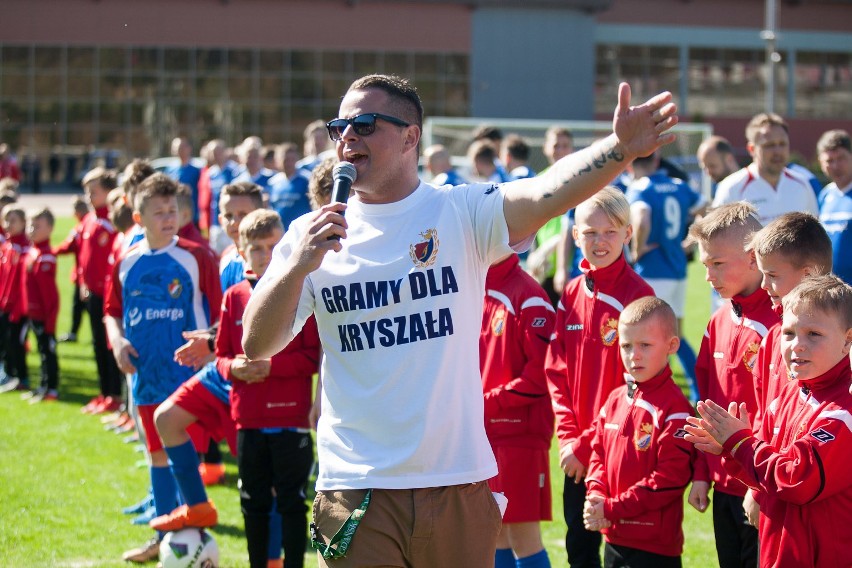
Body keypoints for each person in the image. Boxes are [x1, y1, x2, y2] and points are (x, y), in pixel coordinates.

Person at [241, 73, 677, 567]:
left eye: (364, 123)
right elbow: (257, 343)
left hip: (456, 482)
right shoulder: (309, 234)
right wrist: (297, 266)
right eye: (340, 125)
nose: (347, 137)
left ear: (411, 137)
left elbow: (548, 192)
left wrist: (619, 149)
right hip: (355, 486)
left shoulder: (459, 212)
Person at [686, 274, 852, 568]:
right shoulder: (789, 396)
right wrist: (731, 448)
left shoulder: (843, 414)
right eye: (788, 333)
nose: (797, 345)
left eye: (813, 334)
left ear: (847, 340)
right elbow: (766, 474)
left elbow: (795, 479)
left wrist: (741, 443)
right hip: (778, 552)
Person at [103, 173, 222, 563]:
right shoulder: (126, 261)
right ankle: (161, 538)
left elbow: (222, 312)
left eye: (173, 211)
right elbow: (111, 312)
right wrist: (117, 340)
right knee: (156, 456)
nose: (169, 218)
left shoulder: (197, 255)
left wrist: (208, 343)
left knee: (185, 455)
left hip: (188, 376)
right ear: (138, 217)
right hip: (146, 374)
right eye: (159, 212)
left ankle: (196, 538)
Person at [545, 187, 655, 567]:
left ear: (627, 234)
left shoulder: (640, 297)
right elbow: (556, 369)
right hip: (577, 450)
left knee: (621, 552)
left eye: (610, 232)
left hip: (619, 447)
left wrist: (586, 442)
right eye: (590, 232)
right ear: (575, 236)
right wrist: (569, 437)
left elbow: (640, 384)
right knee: (579, 545)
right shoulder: (573, 292)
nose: (599, 241)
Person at [216, 209, 320, 568]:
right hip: (249, 418)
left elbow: (312, 358)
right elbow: (220, 358)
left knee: (292, 502)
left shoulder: (300, 293)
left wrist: (271, 366)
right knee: (253, 501)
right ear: (241, 251)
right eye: (255, 248)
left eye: (272, 246)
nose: (264, 255)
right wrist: (236, 367)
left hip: (290, 417)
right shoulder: (233, 297)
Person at [685, 202, 777, 568]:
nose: (708, 276)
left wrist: (758, 487)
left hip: (762, 487)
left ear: (754, 258)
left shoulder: (782, 325)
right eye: (705, 265)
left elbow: (783, 415)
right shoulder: (717, 322)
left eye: (717, 264)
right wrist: (701, 472)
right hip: (722, 485)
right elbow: (705, 404)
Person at [583, 297, 695, 568]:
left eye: (645, 345)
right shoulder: (614, 400)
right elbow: (597, 455)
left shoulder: (676, 410)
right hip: (614, 538)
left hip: (654, 547)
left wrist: (612, 508)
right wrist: (596, 494)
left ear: (671, 346)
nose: (634, 355)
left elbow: (669, 480)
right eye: (626, 346)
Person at [480, 252, 556, 568]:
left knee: (524, 537)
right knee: (494, 532)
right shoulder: (473, 286)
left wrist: (487, 401)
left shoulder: (530, 297)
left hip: (518, 436)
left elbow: (540, 376)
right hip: (484, 434)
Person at [626, 150, 705, 402]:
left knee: (645, 336)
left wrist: (637, 251)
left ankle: (653, 391)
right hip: (677, 269)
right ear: (657, 161)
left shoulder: (640, 188)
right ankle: (698, 390)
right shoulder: (678, 185)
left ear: (630, 165)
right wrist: (690, 241)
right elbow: (705, 207)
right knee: (676, 336)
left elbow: (641, 218)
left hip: (652, 271)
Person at [712, 113, 818, 225]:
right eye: (769, 145)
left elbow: (816, 235)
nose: (777, 151)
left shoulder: (802, 184)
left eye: (782, 144)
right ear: (752, 149)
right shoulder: (731, 188)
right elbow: (712, 239)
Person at [77, 167, 124, 414]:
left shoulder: (111, 224)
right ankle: (105, 392)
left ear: (108, 192)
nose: (88, 195)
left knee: (109, 344)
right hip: (91, 293)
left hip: (108, 295)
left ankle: (115, 395)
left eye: (93, 191)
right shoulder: (89, 219)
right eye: (86, 190)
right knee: (96, 342)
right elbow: (84, 257)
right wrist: (83, 282)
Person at [20, 208, 59, 403]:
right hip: (33, 314)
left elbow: (51, 296)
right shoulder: (32, 252)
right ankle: (43, 386)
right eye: (30, 225)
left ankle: (51, 388)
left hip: (44, 316)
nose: (32, 229)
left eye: (37, 226)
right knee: (41, 351)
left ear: (50, 229)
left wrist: (50, 321)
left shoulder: (46, 257)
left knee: (47, 352)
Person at [0, 205, 31, 392]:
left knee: (16, 342)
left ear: (23, 223)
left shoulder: (25, 249)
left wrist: (19, 308)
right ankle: (9, 374)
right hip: (4, 305)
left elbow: (23, 285)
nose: (8, 225)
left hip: (18, 308)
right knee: (5, 340)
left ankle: (23, 378)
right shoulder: (7, 247)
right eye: (5, 220)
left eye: (13, 221)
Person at [816, 129, 852, 286]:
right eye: (830, 160)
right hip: (831, 292)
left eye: (841, 158)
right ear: (821, 163)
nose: (836, 166)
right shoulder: (825, 195)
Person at [55, 195, 90, 343]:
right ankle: (75, 332)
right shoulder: (86, 224)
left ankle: (77, 333)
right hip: (84, 274)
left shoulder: (81, 226)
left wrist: (51, 251)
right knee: (79, 307)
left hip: (83, 275)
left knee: (82, 306)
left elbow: (68, 246)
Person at [200, 139, 240, 254]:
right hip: (216, 222)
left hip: (231, 221)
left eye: (218, 152)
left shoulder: (234, 171)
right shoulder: (211, 173)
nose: (216, 156)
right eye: (213, 153)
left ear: (225, 152)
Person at [269, 142, 312, 230]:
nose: (288, 163)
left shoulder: (307, 180)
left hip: (301, 230)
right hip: (280, 232)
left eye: (291, 159)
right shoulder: (273, 182)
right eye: (285, 160)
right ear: (278, 160)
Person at [165, 137, 202, 225]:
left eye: (182, 147)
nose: (180, 151)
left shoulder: (197, 170)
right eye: (177, 148)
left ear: (189, 149)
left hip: (193, 214)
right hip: (175, 213)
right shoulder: (170, 170)